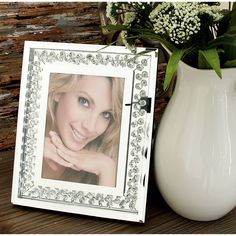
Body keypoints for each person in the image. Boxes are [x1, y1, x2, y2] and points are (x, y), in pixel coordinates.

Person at [42, 73, 124, 187]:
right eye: (84, 101)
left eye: (106, 114)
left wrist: (107, 170)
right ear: (59, 92)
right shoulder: (26, 133)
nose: (90, 127)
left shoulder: (111, 162)